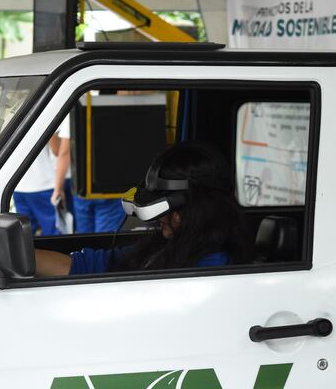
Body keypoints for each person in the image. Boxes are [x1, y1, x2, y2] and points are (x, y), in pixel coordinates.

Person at [35, 141, 249, 276]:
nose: (161, 218)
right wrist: (16, 256)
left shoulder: (211, 269)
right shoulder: (164, 247)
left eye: (169, 208)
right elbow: (84, 265)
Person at [14, 116, 71, 236]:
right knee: (54, 235)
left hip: (17, 186)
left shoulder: (10, 114)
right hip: (43, 184)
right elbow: (57, 150)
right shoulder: (43, 112)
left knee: (24, 238)